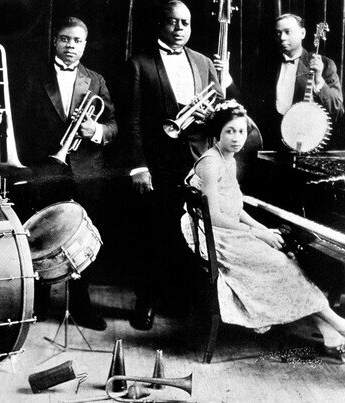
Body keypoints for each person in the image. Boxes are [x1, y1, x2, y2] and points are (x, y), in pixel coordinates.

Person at [181, 100, 345, 362]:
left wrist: (262, 228)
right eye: (229, 132)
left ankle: (328, 329)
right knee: (283, 265)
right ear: (216, 134)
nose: (236, 138)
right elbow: (214, 216)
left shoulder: (228, 158)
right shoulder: (210, 163)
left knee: (287, 260)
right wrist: (258, 235)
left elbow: (234, 206)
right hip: (216, 237)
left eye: (241, 131)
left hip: (227, 229)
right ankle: (337, 323)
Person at [123, 0, 222, 331]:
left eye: (186, 23)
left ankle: (182, 301)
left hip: (197, 159)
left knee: (192, 233)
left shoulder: (204, 62)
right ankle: (147, 302)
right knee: (155, 231)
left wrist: (212, 116)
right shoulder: (139, 63)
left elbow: (221, 110)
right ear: (160, 25)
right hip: (158, 161)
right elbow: (132, 120)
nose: (180, 28)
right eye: (172, 22)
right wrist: (138, 166)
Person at [18, 17, 117, 331]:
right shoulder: (35, 76)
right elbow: (21, 124)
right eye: (64, 39)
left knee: (83, 239)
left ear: (84, 45)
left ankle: (82, 305)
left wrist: (95, 129)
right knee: (44, 235)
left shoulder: (96, 80)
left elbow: (114, 126)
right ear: (55, 41)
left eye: (77, 41)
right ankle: (42, 300)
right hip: (46, 169)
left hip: (86, 172)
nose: (70, 46)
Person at [256, 13, 343, 150]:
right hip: (272, 143)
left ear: (302, 33)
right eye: (278, 33)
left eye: (287, 32)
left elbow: (337, 110)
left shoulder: (325, 65)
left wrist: (319, 80)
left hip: (309, 143)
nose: (282, 38)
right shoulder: (266, 66)